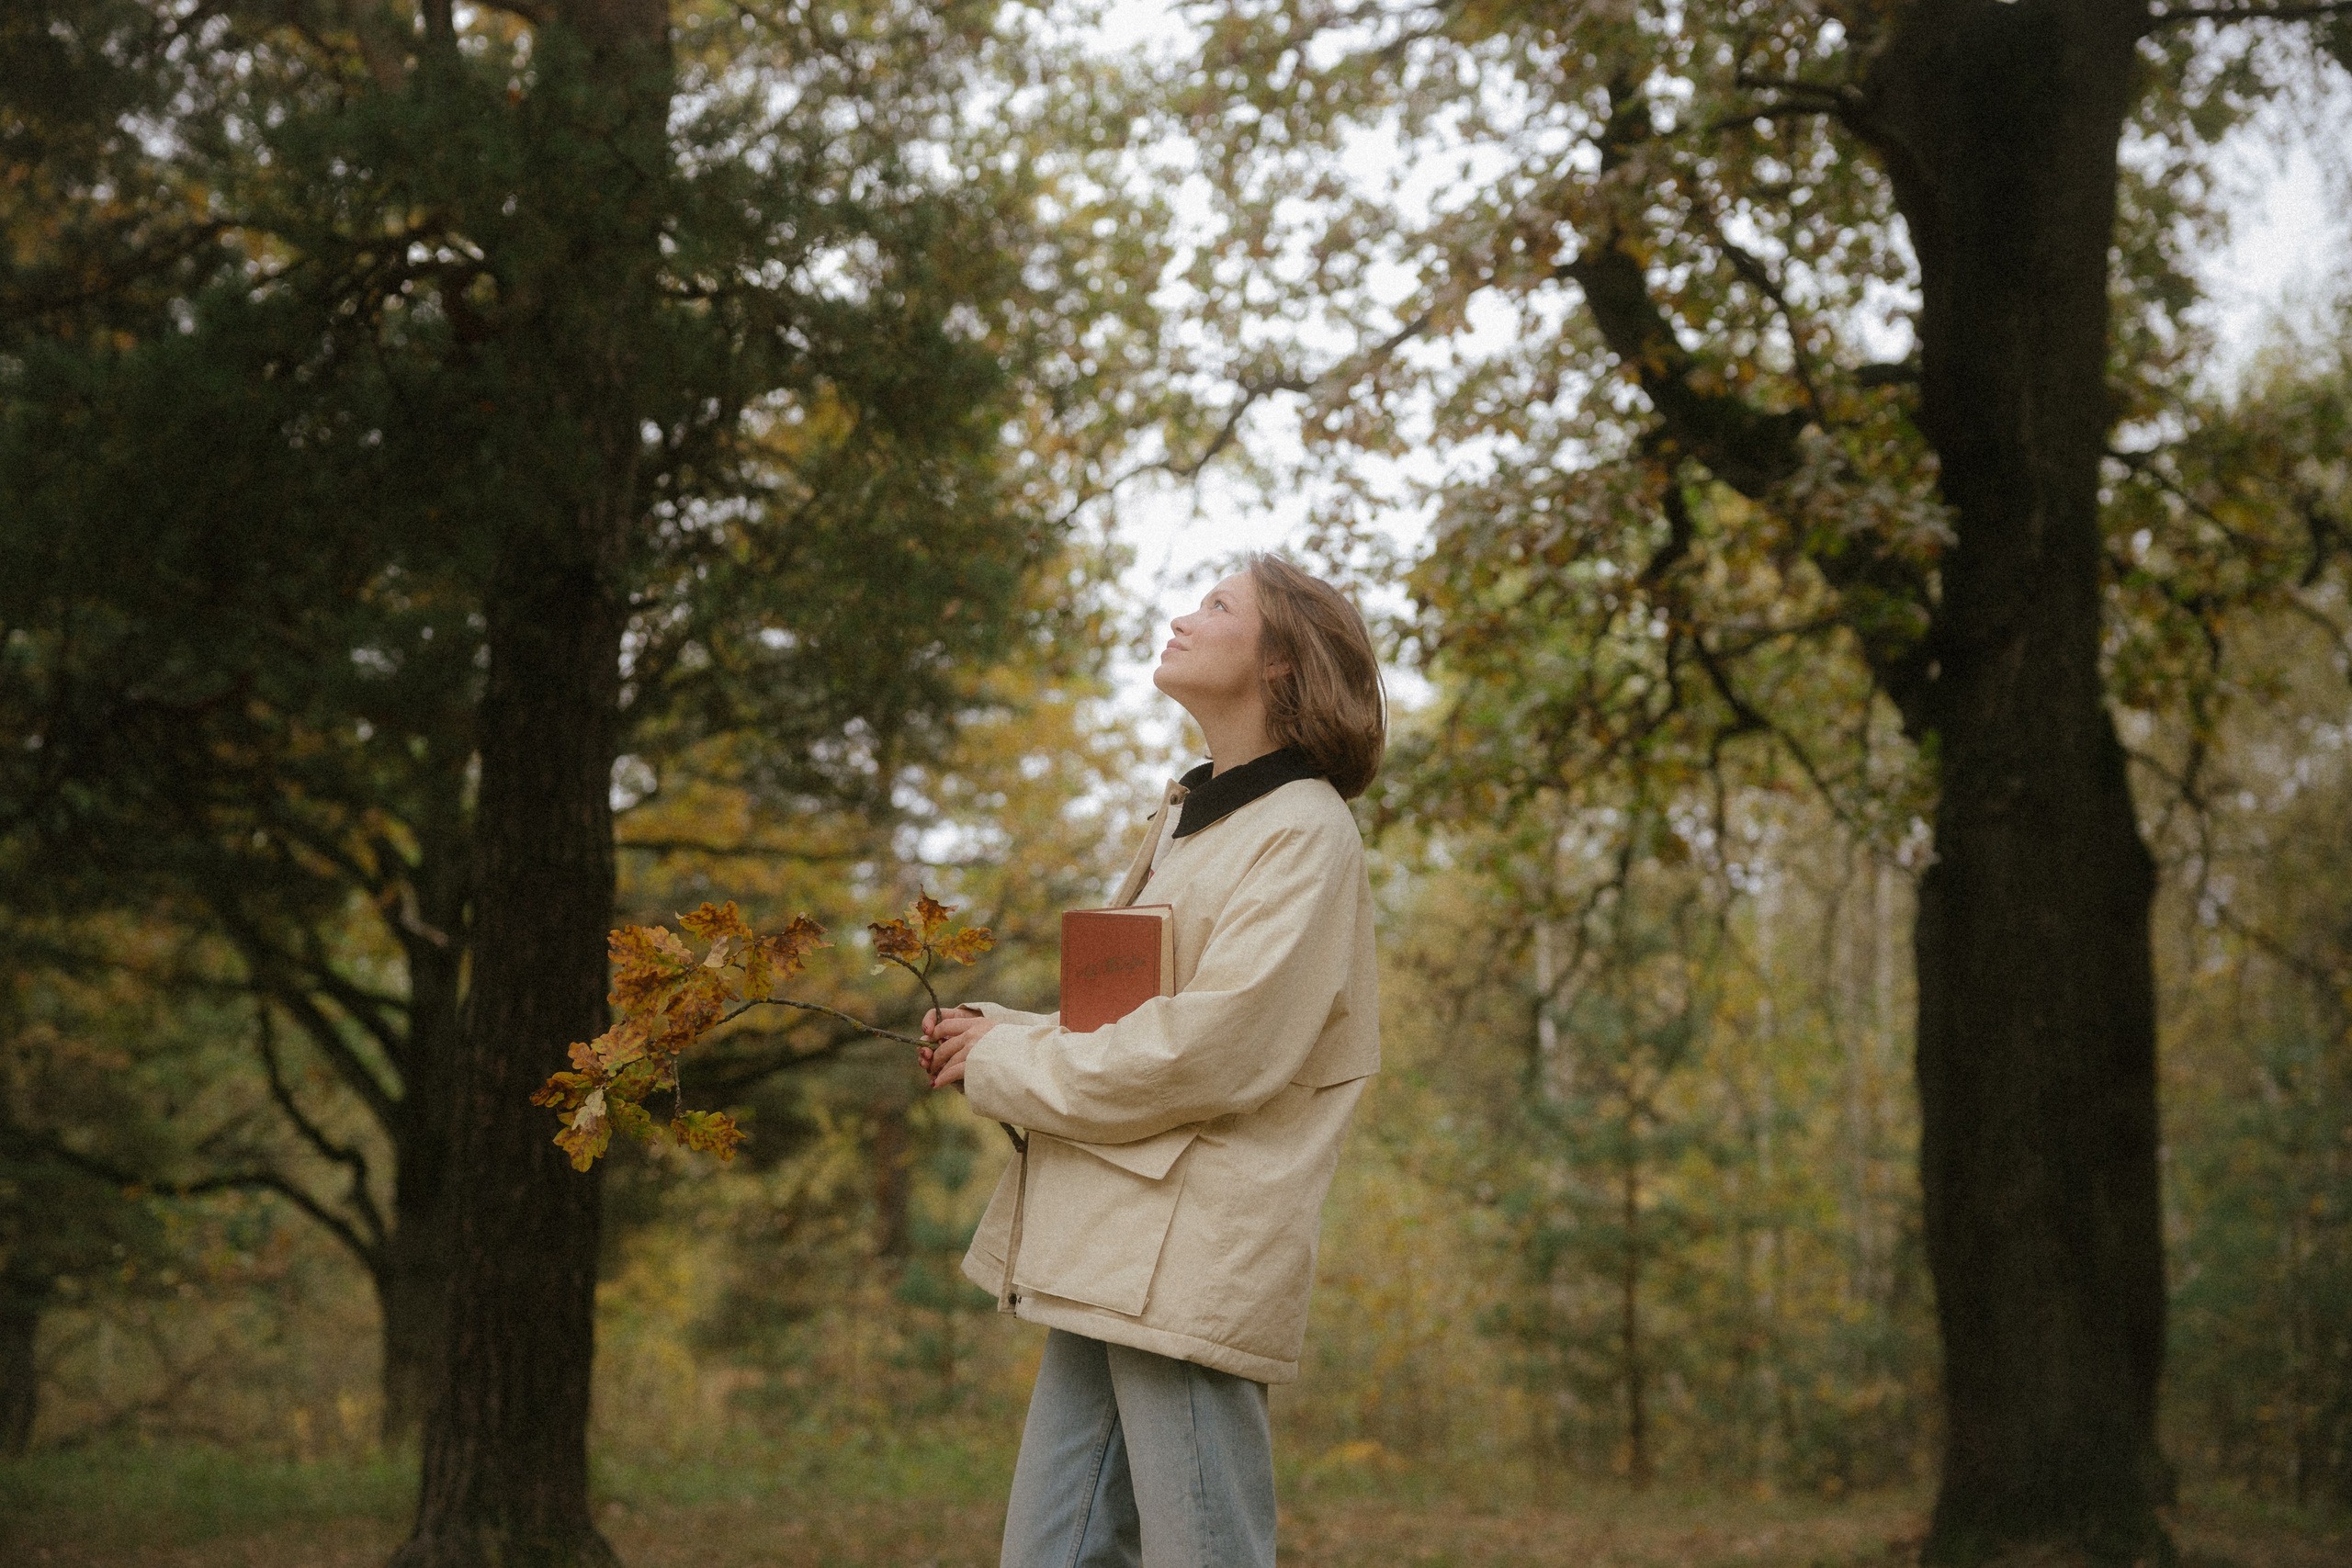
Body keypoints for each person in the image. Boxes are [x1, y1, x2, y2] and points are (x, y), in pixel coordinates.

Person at [919, 552, 1386, 1568]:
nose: (1180, 618)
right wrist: (1004, 1033)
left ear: (1279, 664)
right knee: (1049, 1553)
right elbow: (1131, 1021)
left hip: (1189, 1253)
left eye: (1217, 606)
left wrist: (1007, 1066)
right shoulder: (1189, 814)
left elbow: (1209, 1053)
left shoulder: (1304, 832)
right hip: (1109, 1234)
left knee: (1202, 1551)